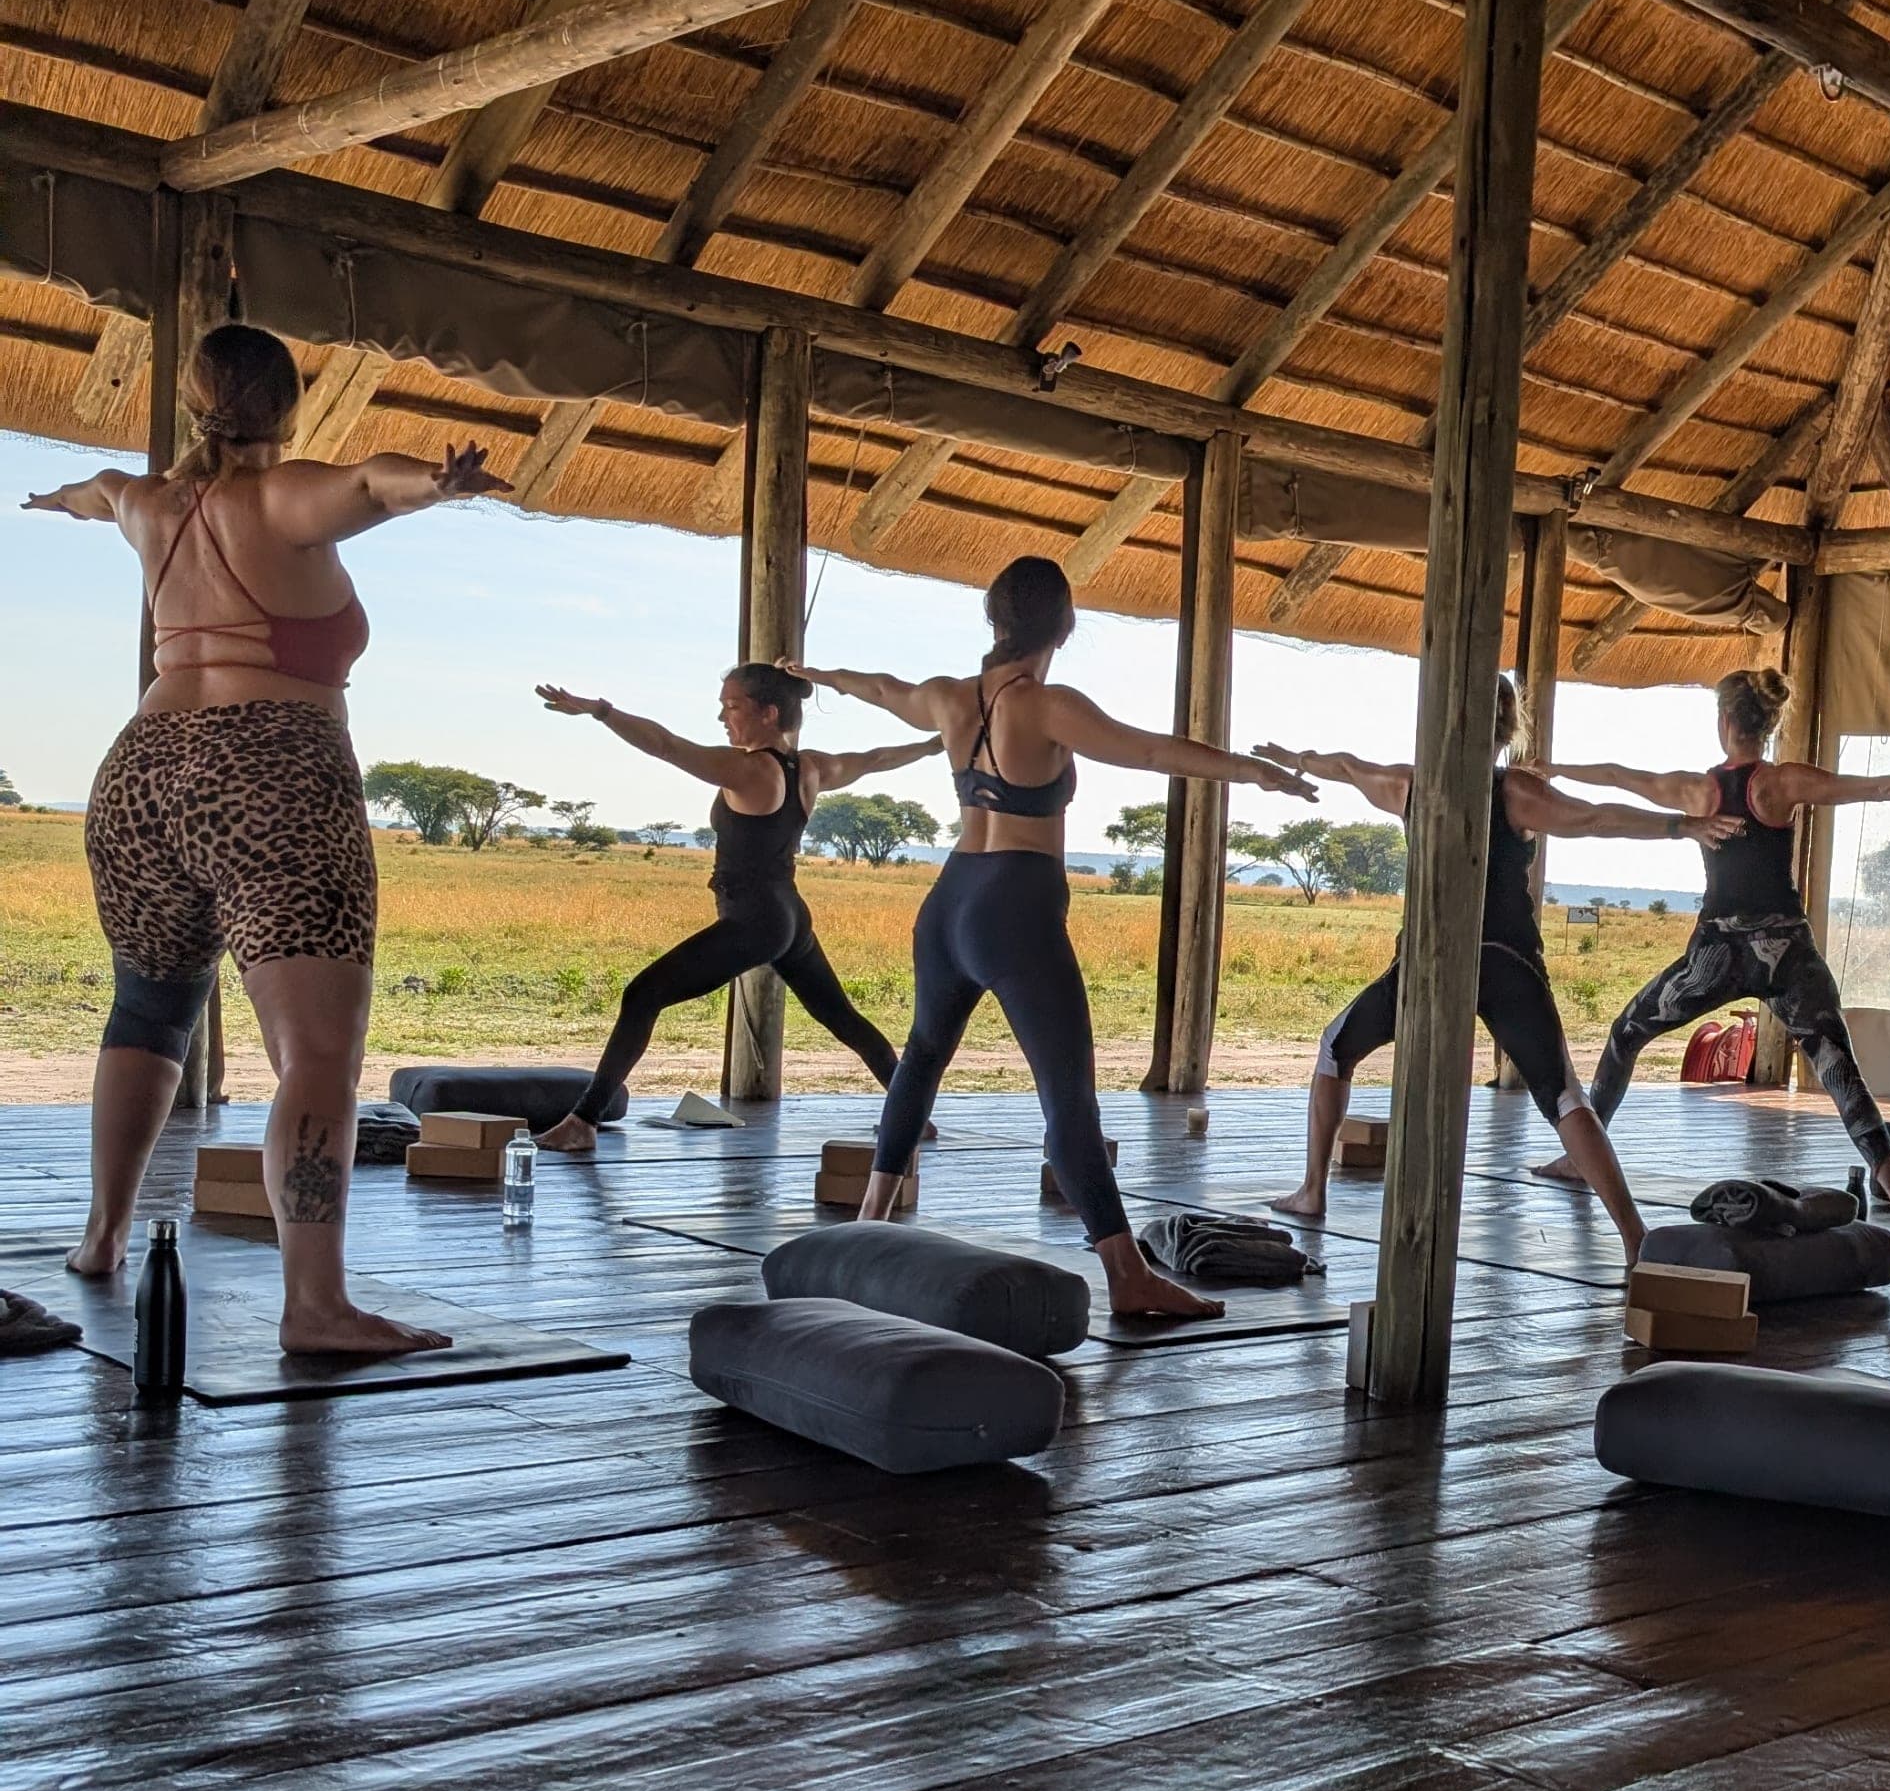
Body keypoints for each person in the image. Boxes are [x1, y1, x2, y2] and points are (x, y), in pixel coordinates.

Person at [28, 321, 506, 1352]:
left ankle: (102, 1237)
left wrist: (51, 501)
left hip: (142, 773)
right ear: (287, 408)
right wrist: (440, 480)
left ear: (201, 403)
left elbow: (96, 490)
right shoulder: (278, 497)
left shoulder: (152, 505)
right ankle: (316, 1305)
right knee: (319, 1052)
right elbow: (372, 488)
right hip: (271, 774)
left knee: (149, 1011)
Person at [785, 556, 1317, 1322]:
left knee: (924, 1056)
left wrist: (822, 675)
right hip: (1018, 906)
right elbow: (1152, 750)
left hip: (949, 902)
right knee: (1066, 1096)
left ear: (992, 620)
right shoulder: (1044, 704)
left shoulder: (947, 697)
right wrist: (1254, 772)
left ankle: (868, 1224)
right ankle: (1127, 1276)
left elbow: (880, 688)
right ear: (1064, 625)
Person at [1256, 676, 1739, 1265]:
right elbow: (1592, 818)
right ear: (1508, 731)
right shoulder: (1514, 791)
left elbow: (1345, 766)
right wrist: (1676, 827)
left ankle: (1313, 1192)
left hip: (1431, 959)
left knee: (1336, 1049)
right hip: (1505, 961)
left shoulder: (1411, 783)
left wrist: (1296, 761)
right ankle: (1635, 1237)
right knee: (1563, 1094)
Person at [1538, 665, 1890, 1231]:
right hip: (1787, 950)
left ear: (1723, 723)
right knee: (1839, 1069)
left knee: (1624, 1033)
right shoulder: (1781, 783)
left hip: (1716, 956)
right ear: (1766, 724)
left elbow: (1618, 775)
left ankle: (1580, 1157)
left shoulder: (1699, 789)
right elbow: (1883, 788)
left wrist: (1554, 769)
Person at [529, 667, 946, 1153]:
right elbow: (874, 758)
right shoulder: (810, 767)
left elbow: (665, 745)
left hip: (755, 919)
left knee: (642, 996)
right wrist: (934, 746)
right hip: (788, 914)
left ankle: (582, 1121)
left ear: (768, 714)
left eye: (733, 706)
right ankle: (915, 1116)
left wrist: (601, 711)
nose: (722, 717)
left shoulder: (750, 769)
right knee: (840, 1016)